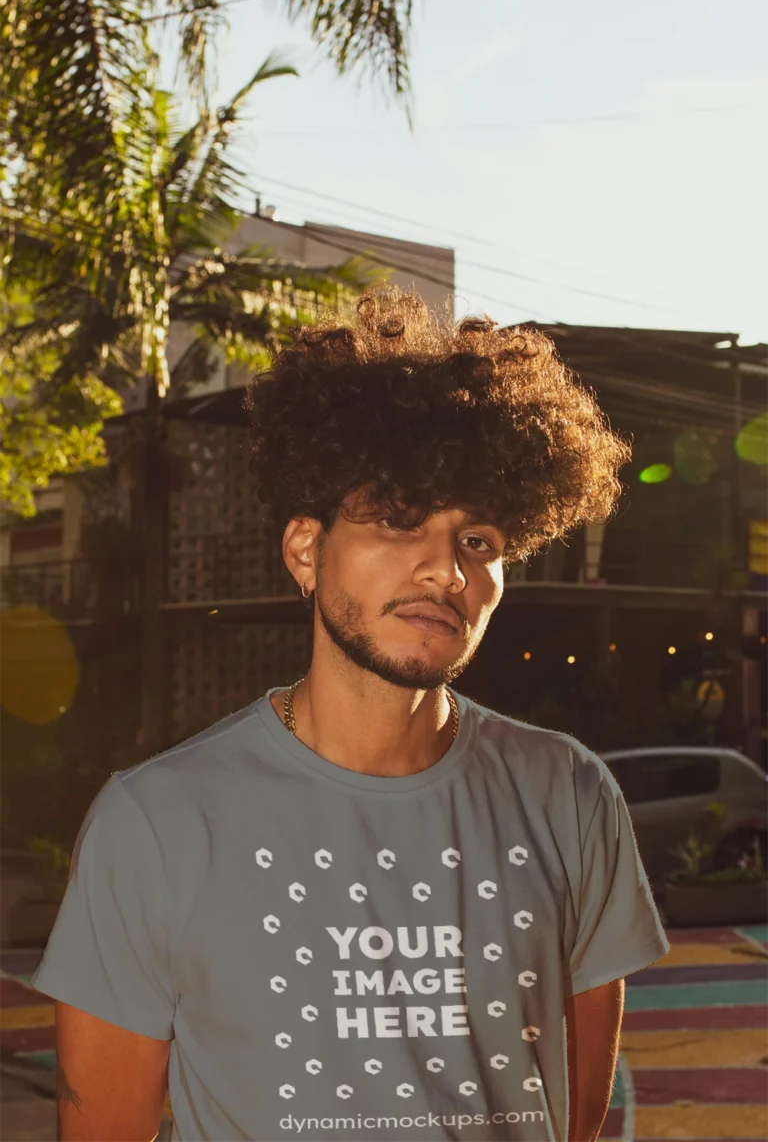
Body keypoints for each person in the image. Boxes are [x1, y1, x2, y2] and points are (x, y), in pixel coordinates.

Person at [32, 285, 669, 1141]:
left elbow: (573, 1118)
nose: (446, 568)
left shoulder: (569, 794)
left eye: (477, 541)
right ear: (306, 550)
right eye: (401, 521)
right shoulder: (156, 823)